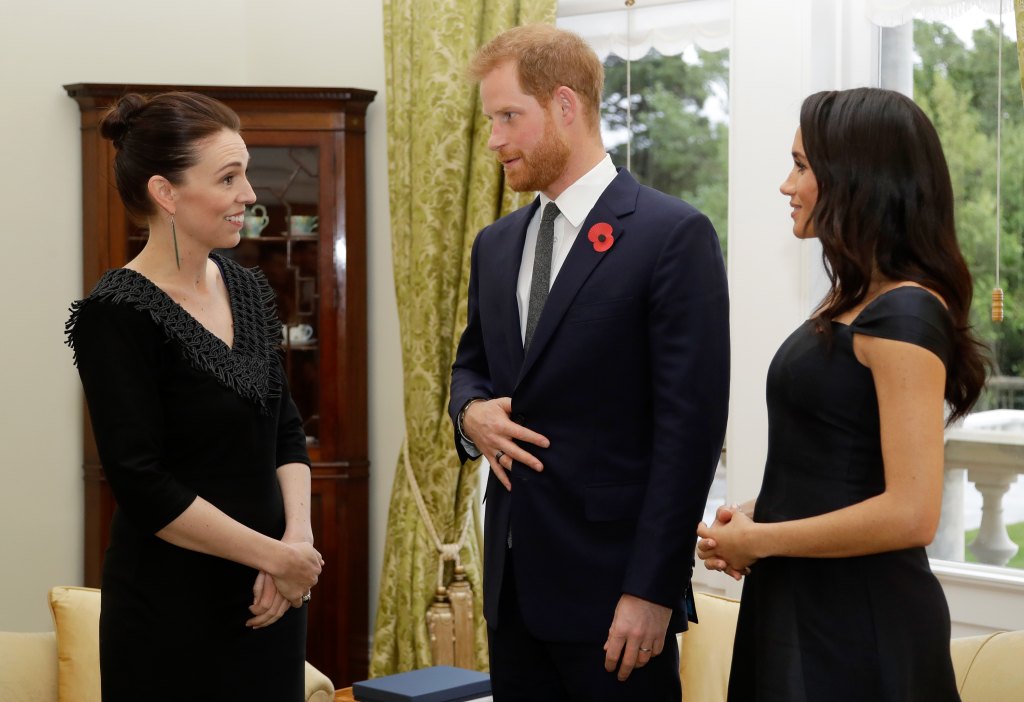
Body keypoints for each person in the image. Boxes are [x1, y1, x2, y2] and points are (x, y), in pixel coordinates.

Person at [449, 24, 730, 701]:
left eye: (509, 117)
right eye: (491, 121)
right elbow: (471, 369)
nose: (494, 140)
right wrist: (470, 414)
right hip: (512, 593)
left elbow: (689, 436)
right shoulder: (494, 244)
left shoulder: (671, 236)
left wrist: (651, 591)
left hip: (615, 599)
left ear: (566, 107)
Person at [696, 87, 988, 702]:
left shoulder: (906, 313)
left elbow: (912, 512)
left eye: (801, 166)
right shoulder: (854, 302)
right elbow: (838, 467)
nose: (786, 185)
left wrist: (762, 540)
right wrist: (756, 513)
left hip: (857, 626)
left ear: (858, 179)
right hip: (804, 606)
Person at [65, 92, 323, 701]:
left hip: (271, 603)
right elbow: (142, 484)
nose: (250, 194)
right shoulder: (114, 316)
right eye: (229, 177)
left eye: (247, 174)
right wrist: (276, 557)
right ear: (166, 192)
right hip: (169, 619)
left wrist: (297, 544)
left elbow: (286, 430)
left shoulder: (250, 287)